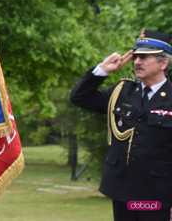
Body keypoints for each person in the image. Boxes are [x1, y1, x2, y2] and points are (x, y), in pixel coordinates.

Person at [70, 30, 172, 221]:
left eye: (144, 57)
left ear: (163, 63)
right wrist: (102, 70)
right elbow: (79, 97)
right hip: (123, 192)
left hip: (159, 195)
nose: (137, 62)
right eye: (135, 56)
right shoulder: (122, 92)